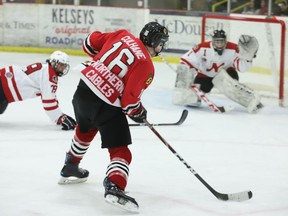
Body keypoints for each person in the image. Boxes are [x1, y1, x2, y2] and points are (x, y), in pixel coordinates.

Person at [58, 22, 169, 212]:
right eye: (162, 43)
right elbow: (129, 102)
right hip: (106, 105)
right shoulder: (146, 65)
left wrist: (103, 65)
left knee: (86, 129)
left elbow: (89, 42)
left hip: (82, 92)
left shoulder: (122, 34)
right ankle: (114, 186)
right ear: (156, 42)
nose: (162, 47)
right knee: (121, 151)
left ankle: (70, 165)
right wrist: (139, 113)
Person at [172, 29, 263, 113]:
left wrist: (248, 58)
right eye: (217, 42)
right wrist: (185, 70)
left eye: (222, 42)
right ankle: (195, 96)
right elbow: (186, 60)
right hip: (205, 76)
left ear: (225, 41)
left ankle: (249, 99)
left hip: (226, 75)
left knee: (230, 86)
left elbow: (241, 68)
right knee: (192, 99)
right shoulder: (202, 47)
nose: (219, 44)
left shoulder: (234, 49)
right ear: (212, 41)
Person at [0, 51, 76, 130]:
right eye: (60, 65)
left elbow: (51, 96)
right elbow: (48, 101)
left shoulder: (46, 68)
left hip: (5, 82)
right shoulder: (50, 75)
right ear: (53, 63)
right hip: (4, 86)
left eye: (64, 66)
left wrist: (60, 115)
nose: (62, 68)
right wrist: (60, 118)